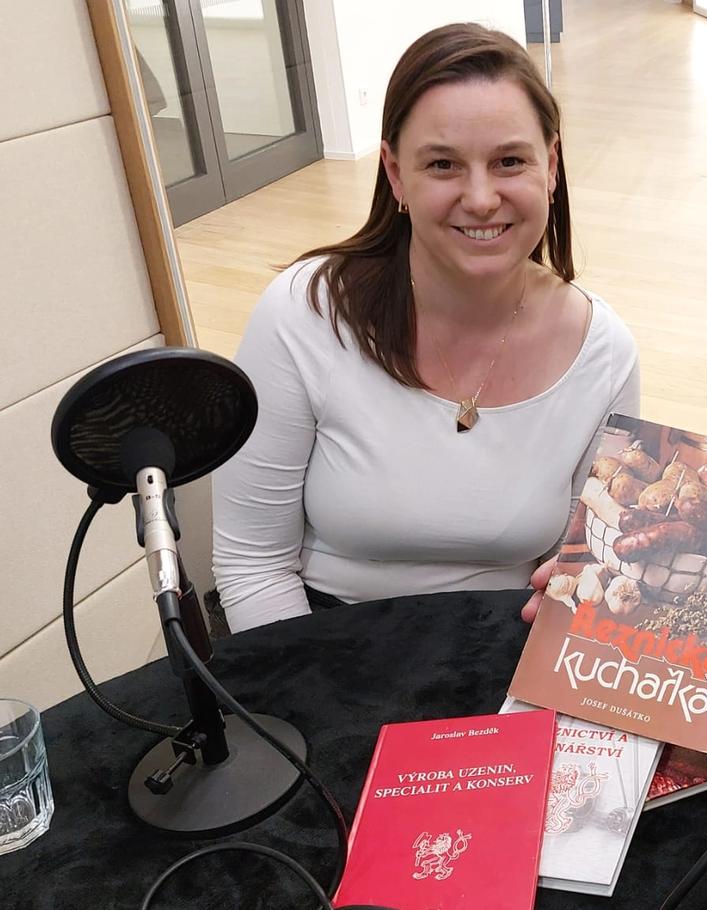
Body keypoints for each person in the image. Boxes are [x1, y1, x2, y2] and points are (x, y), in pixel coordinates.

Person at [214, 24, 639, 633]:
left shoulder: (604, 352)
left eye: (510, 161)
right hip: (319, 644)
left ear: (551, 166)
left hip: (506, 647)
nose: (482, 198)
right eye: (443, 164)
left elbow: (575, 573)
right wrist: (312, 691)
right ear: (395, 174)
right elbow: (252, 563)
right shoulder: (305, 314)